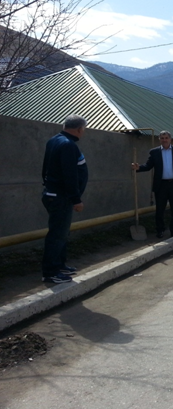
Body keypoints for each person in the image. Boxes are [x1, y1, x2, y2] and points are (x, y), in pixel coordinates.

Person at [41, 114, 89, 284]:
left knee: (62, 232)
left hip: (53, 194)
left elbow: (46, 168)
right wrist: (76, 199)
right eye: (84, 129)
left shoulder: (54, 141)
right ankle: (50, 272)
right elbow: (69, 174)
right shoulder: (68, 145)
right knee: (57, 234)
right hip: (60, 196)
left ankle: (59, 265)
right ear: (79, 129)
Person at [132, 130, 173, 238]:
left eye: (166, 138)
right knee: (160, 209)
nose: (164, 140)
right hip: (161, 185)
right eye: (162, 138)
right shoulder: (154, 152)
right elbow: (148, 166)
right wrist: (138, 168)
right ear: (159, 139)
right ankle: (160, 230)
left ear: (170, 139)